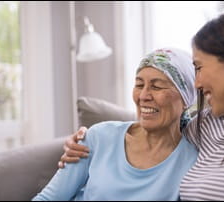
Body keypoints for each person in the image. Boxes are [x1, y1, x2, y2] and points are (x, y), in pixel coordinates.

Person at [60, 10, 224, 200]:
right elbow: (158, 122)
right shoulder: (206, 127)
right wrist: (88, 139)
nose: (197, 83)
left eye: (200, 68)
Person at [32, 48, 199, 201]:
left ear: (186, 98)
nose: (143, 96)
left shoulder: (193, 160)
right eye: (139, 85)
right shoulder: (98, 136)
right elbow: (48, 198)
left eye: (156, 87)